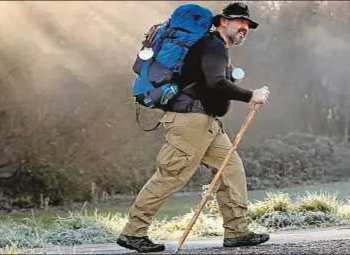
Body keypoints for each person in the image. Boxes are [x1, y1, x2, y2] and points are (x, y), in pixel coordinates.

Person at [116, 2, 271, 253]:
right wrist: (251, 94)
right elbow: (216, 83)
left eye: (248, 25)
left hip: (206, 122)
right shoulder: (213, 45)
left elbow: (212, 82)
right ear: (223, 22)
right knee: (171, 175)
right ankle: (133, 232)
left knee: (230, 169)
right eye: (239, 22)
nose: (244, 27)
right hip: (190, 121)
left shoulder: (213, 47)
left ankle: (237, 231)